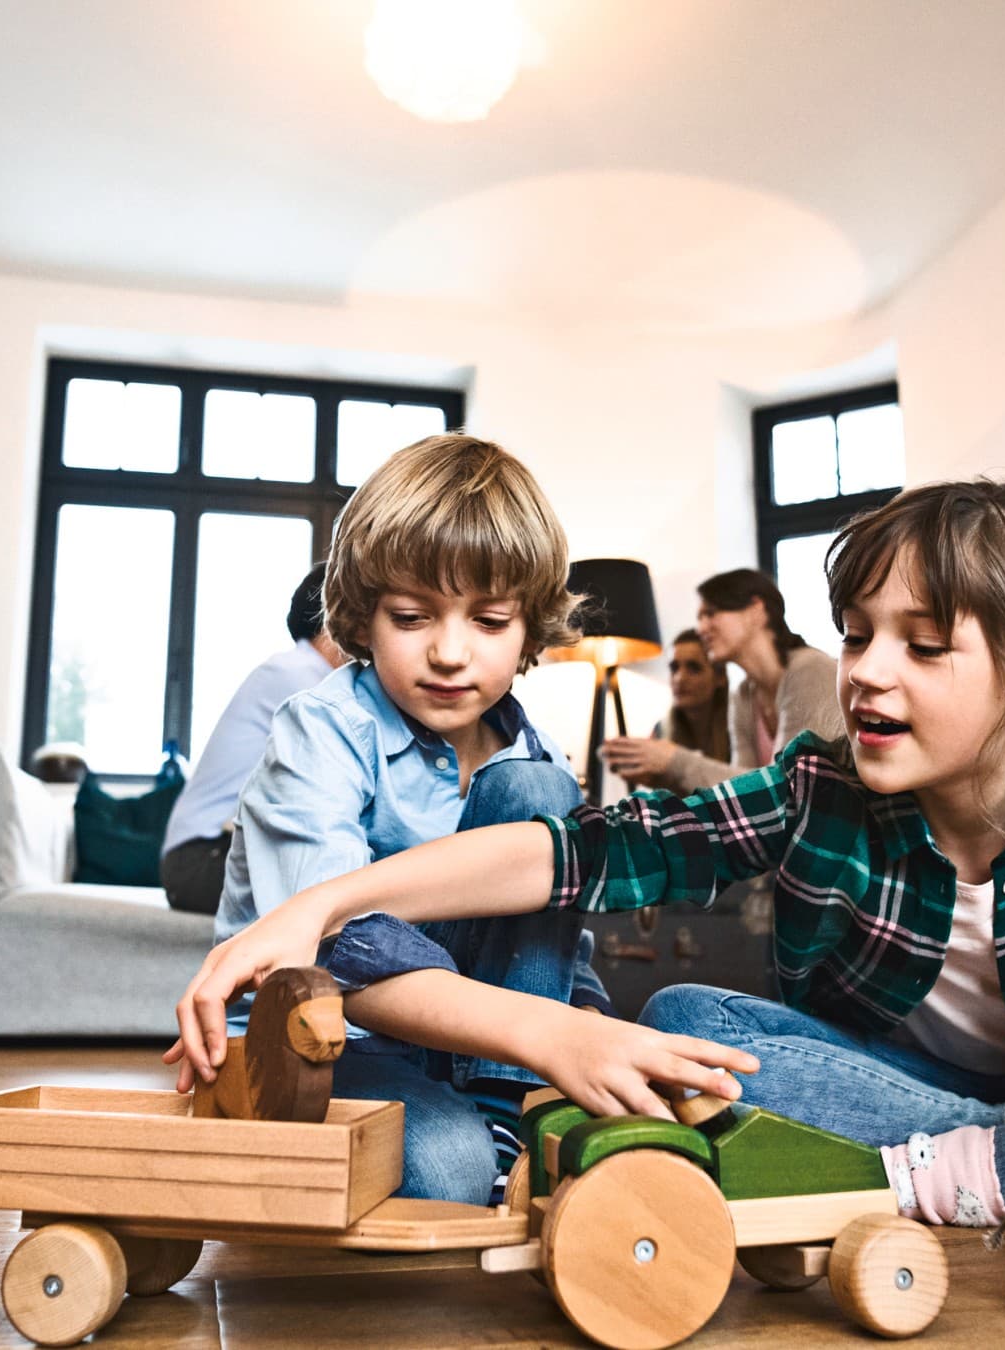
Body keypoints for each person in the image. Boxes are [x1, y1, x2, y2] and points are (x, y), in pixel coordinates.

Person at [171, 477, 1005, 1238]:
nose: (870, 674)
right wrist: (329, 900)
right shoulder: (815, 787)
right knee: (688, 1015)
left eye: (923, 648)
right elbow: (575, 853)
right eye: (860, 635)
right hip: (911, 1104)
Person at [176, 433, 750, 1205]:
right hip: (322, 1039)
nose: (450, 653)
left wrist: (587, 1034)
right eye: (413, 616)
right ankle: (500, 1138)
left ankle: (508, 1113)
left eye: (489, 622)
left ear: (529, 630)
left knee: (539, 797)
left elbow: (553, 949)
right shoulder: (317, 729)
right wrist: (550, 1037)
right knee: (451, 1169)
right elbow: (330, 957)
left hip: (474, 1050)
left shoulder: (531, 750)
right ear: (363, 616)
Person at [159, 563, 349, 915]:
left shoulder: (299, 672)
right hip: (200, 858)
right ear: (332, 621)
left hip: (209, 853)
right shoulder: (299, 676)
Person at [601, 569, 836, 792]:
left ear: (756, 610)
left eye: (711, 613)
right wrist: (665, 776)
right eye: (700, 618)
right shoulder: (744, 695)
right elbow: (743, 788)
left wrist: (675, 761)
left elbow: (786, 788)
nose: (702, 628)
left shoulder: (810, 669)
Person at [613, 629, 729, 791]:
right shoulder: (661, 730)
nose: (679, 678)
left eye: (694, 668)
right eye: (674, 668)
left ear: (720, 677)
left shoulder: (737, 729)